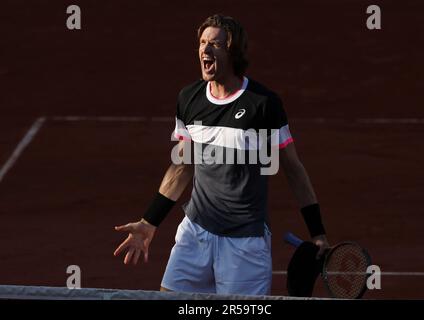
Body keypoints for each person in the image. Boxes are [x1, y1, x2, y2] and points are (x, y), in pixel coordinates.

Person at [114, 14, 329, 296]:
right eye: (202, 43)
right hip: (196, 231)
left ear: (233, 52)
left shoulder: (263, 105)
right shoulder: (189, 98)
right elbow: (182, 167)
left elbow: (292, 168)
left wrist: (318, 232)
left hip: (244, 242)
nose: (205, 50)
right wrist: (149, 222)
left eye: (215, 44)